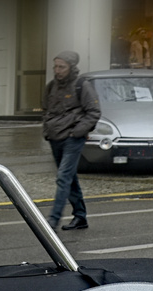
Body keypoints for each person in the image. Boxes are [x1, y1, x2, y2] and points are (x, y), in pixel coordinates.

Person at [42, 51, 100, 231]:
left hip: (72, 139)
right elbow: (46, 110)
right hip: (54, 137)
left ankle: (53, 220)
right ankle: (80, 216)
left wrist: (77, 132)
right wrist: (47, 130)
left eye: (62, 67)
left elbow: (94, 112)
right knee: (69, 178)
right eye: (55, 66)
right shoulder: (51, 86)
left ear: (71, 67)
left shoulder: (82, 85)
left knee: (63, 177)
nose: (57, 70)